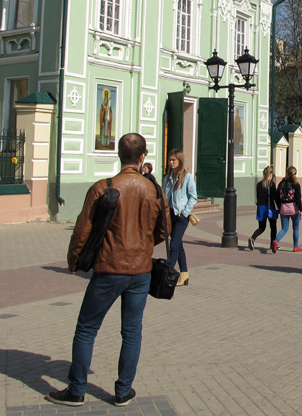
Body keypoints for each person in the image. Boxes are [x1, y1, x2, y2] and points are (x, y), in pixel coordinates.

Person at [46, 133, 169, 408]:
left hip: (108, 268)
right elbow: (165, 230)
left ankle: (77, 389)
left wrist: (75, 259)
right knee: (132, 331)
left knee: (87, 329)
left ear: (119, 155)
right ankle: (123, 391)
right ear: (142, 157)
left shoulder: (103, 187)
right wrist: (143, 243)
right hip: (141, 271)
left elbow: (83, 228)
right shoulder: (154, 190)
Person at [162, 149, 197, 287]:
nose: (171, 163)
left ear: (180, 161)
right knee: (179, 245)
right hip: (171, 214)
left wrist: (185, 212)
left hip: (181, 216)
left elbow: (193, 196)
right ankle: (184, 273)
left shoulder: (187, 177)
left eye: (173, 160)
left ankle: (169, 274)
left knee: (174, 245)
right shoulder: (168, 178)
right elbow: (165, 196)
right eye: (170, 160)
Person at [249, 166, 278, 252]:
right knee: (273, 227)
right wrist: (279, 207)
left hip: (261, 207)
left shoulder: (259, 184)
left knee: (262, 227)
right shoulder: (271, 185)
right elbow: (274, 197)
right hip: (270, 207)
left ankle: (252, 238)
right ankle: (273, 244)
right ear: (270, 175)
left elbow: (258, 197)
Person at [274, 166, 302, 252]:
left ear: (287, 173)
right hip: (294, 209)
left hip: (283, 208)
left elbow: (277, 197)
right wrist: (301, 210)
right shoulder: (296, 184)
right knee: (296, 228)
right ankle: (295, 247)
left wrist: (280, 207)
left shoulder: (281, 184)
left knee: (284, 228)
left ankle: (276, 241)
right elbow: (298, 198)